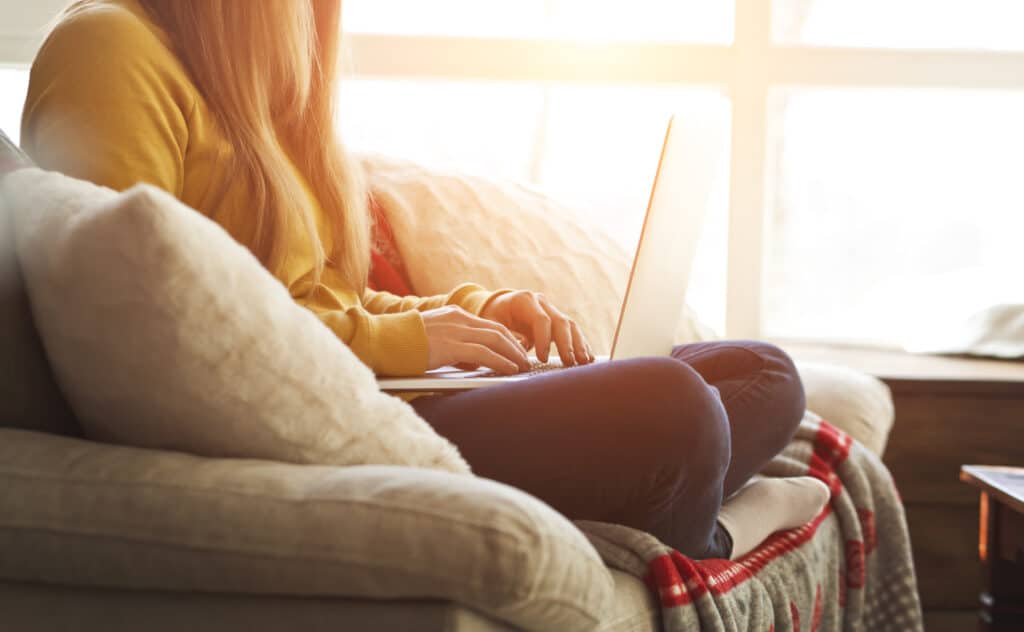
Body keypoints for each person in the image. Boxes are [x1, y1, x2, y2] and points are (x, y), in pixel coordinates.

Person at [21, 0, 829, 560]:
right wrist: (401, 341)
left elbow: (332, 295)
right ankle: (712, 532)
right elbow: (162, 319)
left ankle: (675, 505)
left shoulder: (263, 79)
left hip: (384, 383)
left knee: (760, 374)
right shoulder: (110, 48)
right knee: (673, 407)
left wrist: (475, 311)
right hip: (336, 421)